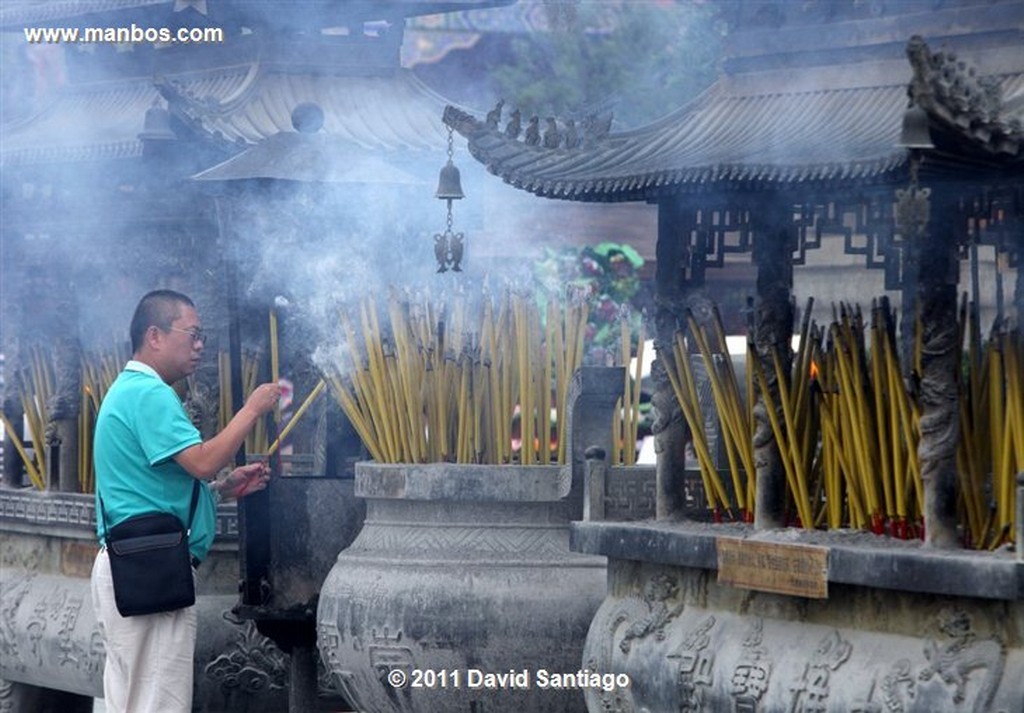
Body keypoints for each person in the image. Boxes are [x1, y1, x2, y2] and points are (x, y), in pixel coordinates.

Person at [90, 289, 281, 713]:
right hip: (149, 567)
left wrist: (223, 489)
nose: (199, 345)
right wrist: (251, 409)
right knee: (157, 702)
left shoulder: (130, 390)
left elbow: (153, 488)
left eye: (203, 337)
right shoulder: (148, 393)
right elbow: (202, 462)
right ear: (154, 336)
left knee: (134, 698)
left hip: (133, 563)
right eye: (192, 334)